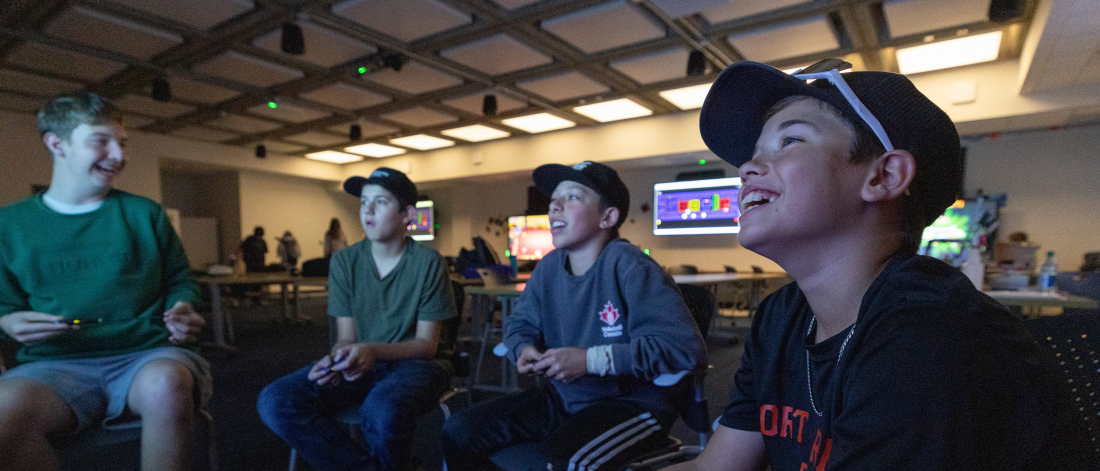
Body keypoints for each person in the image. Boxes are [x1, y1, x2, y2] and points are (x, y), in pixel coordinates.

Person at [665, 59, 1096, 470]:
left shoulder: (930, 337)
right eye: (755, 152)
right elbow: (715, 465)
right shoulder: (781, 317)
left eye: (789, 140)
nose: (747, 168)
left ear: (884, 176)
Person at [441, 161, 708, 471]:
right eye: (554, 199)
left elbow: (684, 350)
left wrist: (589, 360)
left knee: (560, 463)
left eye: (572, 197)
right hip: (563, 399)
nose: (554, 205)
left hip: (632, 406)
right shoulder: (548, 268)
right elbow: (520, 325)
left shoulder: (630, 265)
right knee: (458, 431)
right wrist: (522, 348)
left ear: (608, 217)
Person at [0, 92, 211, 471]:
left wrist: (182, 307)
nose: (119, 155)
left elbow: (180, 279)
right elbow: (4, 305)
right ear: (56, 143)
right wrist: (8, 321)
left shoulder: (144, 214)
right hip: (55, 365)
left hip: (147, 355)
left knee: (167, 386)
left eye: (122, 143)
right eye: (101, 140)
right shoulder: (9, 226)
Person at [257, 167, 455, 471]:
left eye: (381, 202)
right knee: (275, 400)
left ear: (408, 215)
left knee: (382, 409)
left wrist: (371, 351)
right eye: (364, 202)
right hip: (362, 363)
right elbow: (346, 337)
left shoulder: (428, 262)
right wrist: (338, 359)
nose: (368, 210)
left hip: (418, 365)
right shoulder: (344, 261)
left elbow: (427, 346)